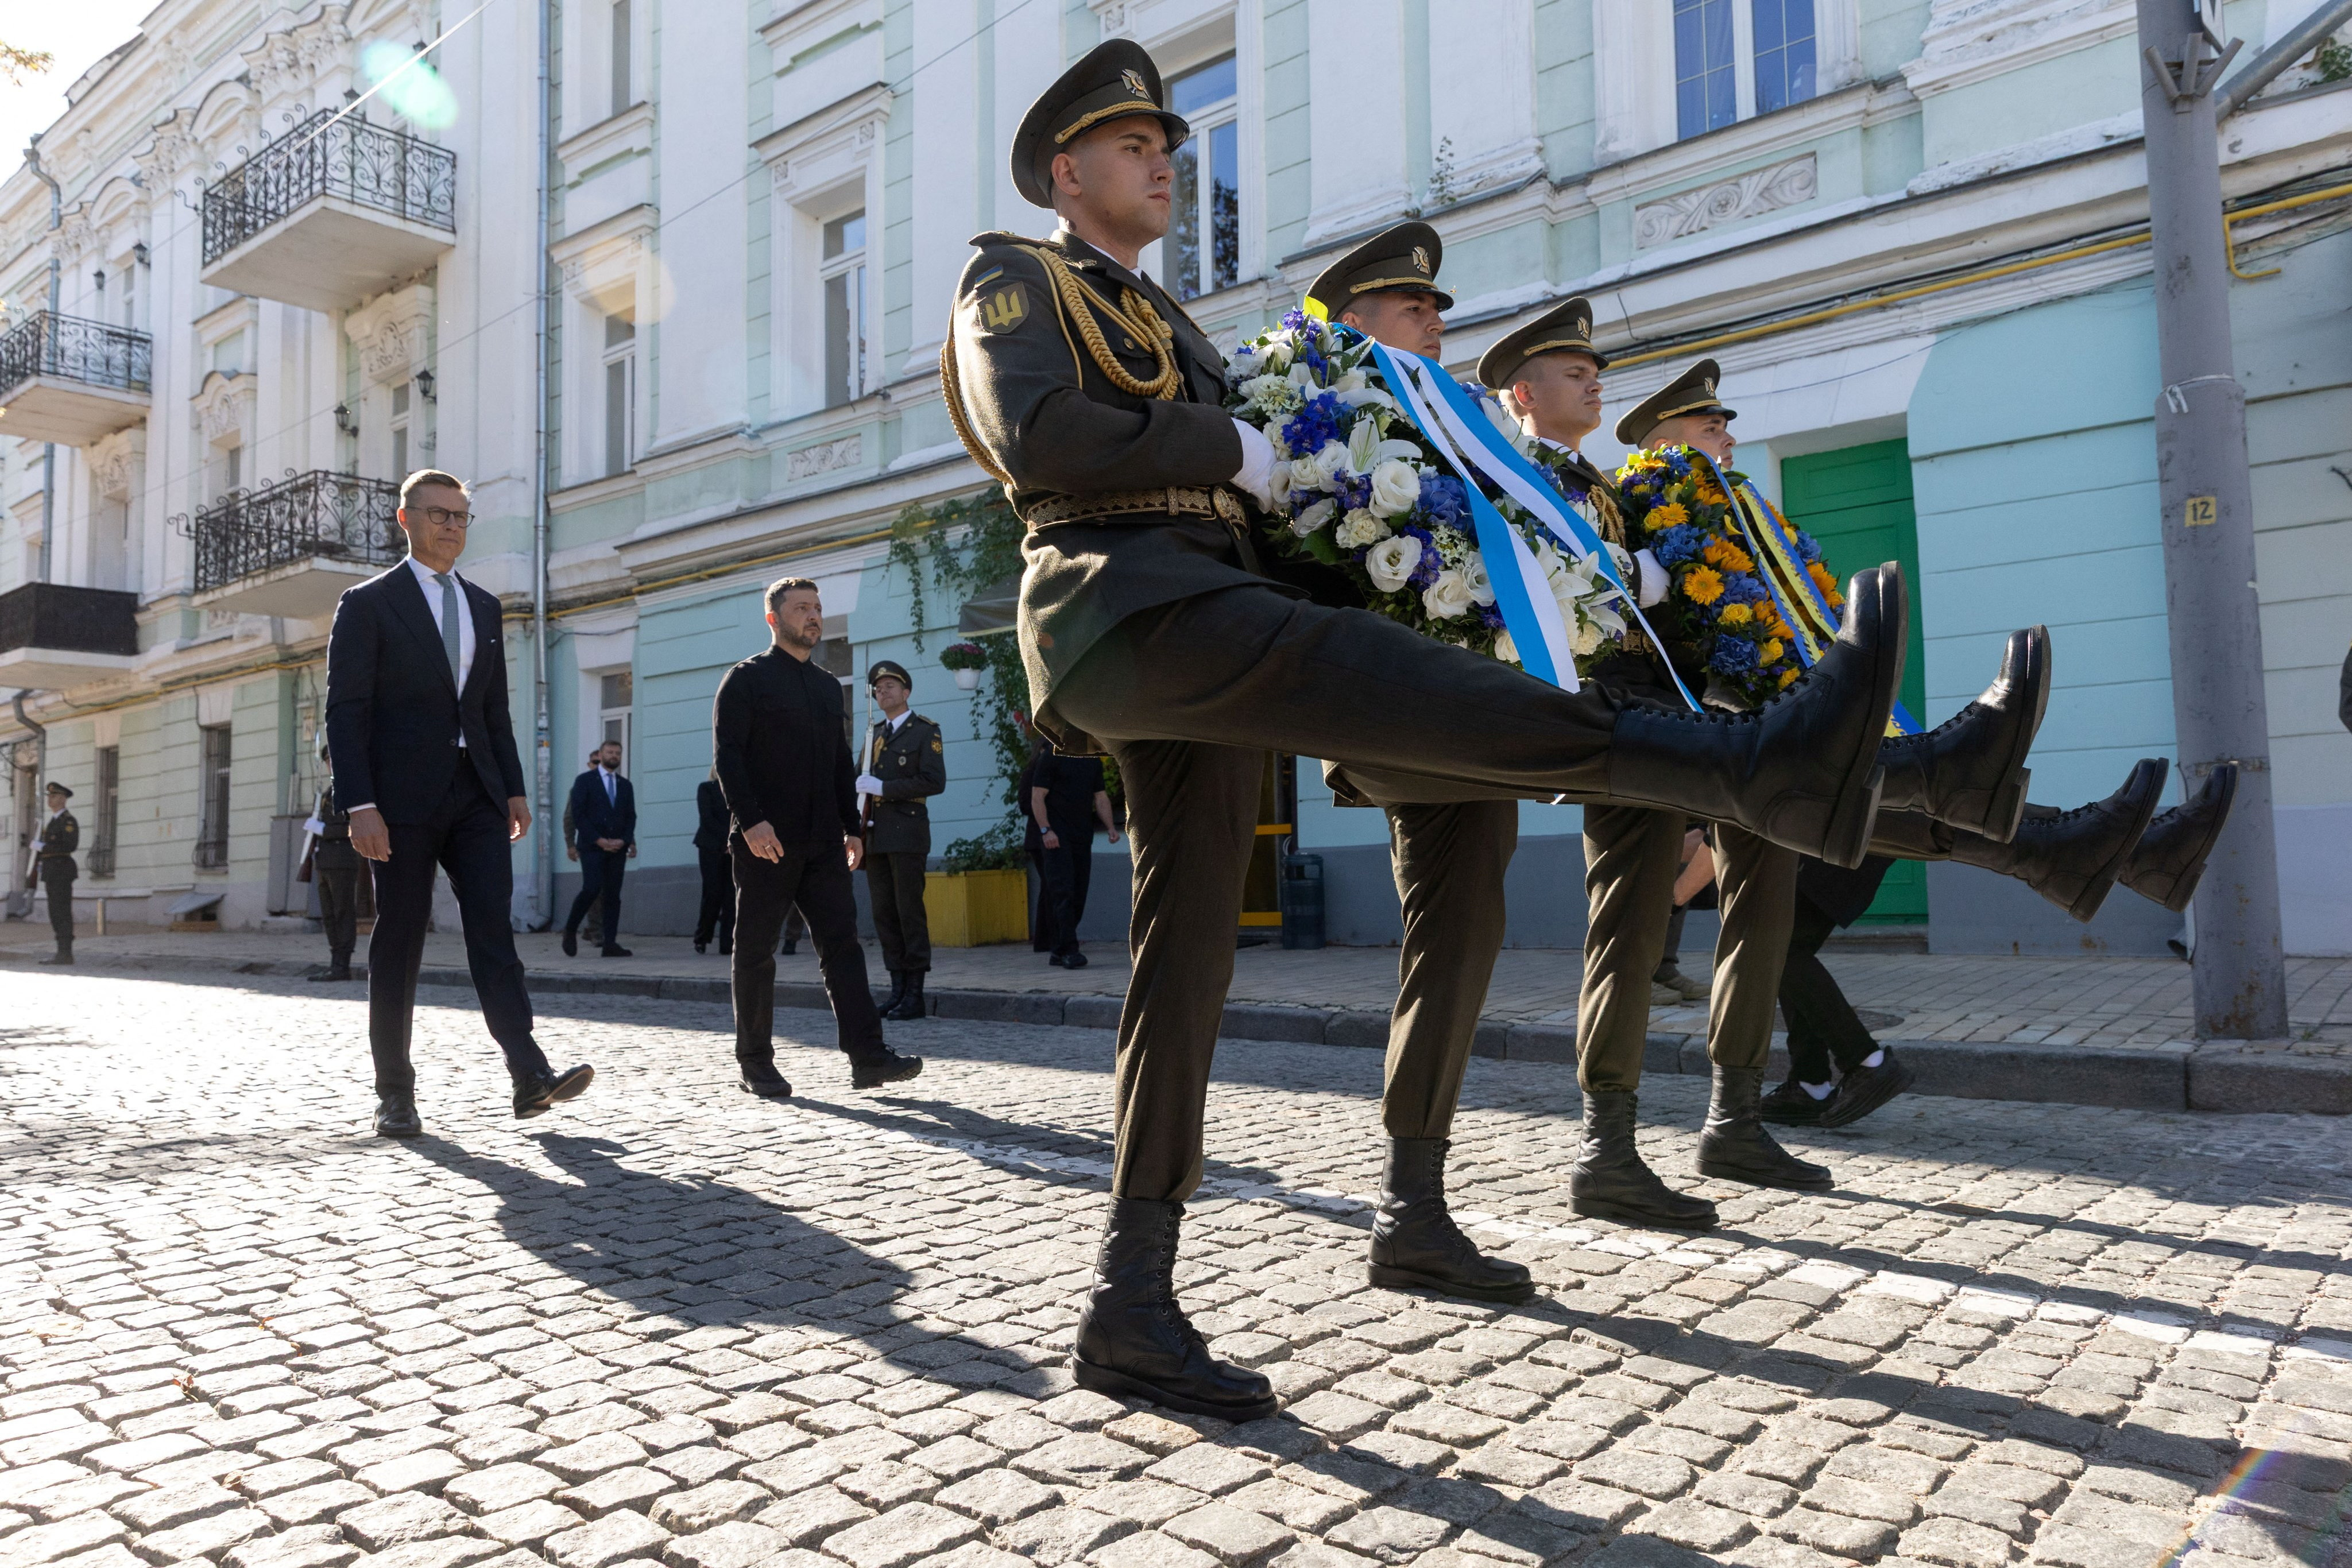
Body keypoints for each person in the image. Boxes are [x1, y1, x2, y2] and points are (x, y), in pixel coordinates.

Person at [946, 41, 1910, 1422]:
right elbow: (1041, 434)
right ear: (1064, 171)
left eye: (1169, 141)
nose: (1166, 158)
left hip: (1213, 612)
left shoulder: (1185, 324)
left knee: (1188, 956)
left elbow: (1283, 487)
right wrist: (1231, 454)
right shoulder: (1015, 280)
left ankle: (1132, 1300)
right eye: (1131, 144)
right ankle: (1751, 768)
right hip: (1125, 602)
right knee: (1365, 673)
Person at [1483, 327, 2048, 1228]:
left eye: (1597, 372)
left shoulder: (1616, 488)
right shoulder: (1521, 472)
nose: (1594, 385)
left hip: (1703, 711)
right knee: (1629, 930)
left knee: (1765, 907)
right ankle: (1608, 1150)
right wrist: (1656, 578)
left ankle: (1735, 1121)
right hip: (1615, 713)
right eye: (1575, 374)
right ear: (1523, 393)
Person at [325, 469, 593, 1137]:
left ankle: (529, 1073)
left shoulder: (482, 606)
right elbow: (346, 711)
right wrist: (359, 802)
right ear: (405, 518)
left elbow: (492, 709)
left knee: (492, 933)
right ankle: (395, 1092)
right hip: (399, 803)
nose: (451, 525)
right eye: (438, 513)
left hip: (475, 795)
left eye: (461, 516)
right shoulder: (367, 604)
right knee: (400, 941)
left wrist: (513, 788)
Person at [1764, 761, 2242, 1128]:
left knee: (1782, 942)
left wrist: (1683, 891)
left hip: (1826, 801)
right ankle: (2141, 849)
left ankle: (1856, 1065)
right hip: (1828, 799)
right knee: (1785, 943)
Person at [713, 576, 923, 1101]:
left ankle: (868, 1057)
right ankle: (755, 1062)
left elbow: (837, 765)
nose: (813, 615)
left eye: (817, 607)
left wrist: (852, 828)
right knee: (757, 951)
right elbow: (728, 759)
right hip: (766, 841)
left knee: (843, 948)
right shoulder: (745, 680)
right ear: (773, 619)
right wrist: (750, 821)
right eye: (801, 608)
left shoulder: (829, 687)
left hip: (824, 843)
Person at [859, 660, 947, 1020]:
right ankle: (897, 989)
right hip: (876, 836)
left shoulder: (925, 731)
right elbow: (857, 782)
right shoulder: (874, 734)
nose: (884, 692)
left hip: (907, 833)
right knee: (885, 914)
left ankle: (915, 994)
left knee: (909, 912)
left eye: (891, 687)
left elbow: (934, 781)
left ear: (906, 692)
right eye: (879, 689)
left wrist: (885, 788)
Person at [1028, 737, 1120, 966]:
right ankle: (1070, 949)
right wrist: (1046, 830)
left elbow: (1100, 797)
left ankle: (1059, 949)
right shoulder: (1051, 756)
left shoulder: (1091, 761)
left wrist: (1111, 827)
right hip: (1056, 838)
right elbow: (1037, 797)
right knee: (1063, 892)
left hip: (1082, 836)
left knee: (1079, 893)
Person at [562, 739, 636, 958]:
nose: (614, 756)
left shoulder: (625, 785)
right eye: (610, 752)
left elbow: (630, 816)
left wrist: (625, 840)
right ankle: (570, 929)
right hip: (593, 847)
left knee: (613, 895)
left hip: (617, 849)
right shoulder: (585, 782)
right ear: (601, 755)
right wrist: (598, 840)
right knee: (592, 889)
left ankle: (610, 943)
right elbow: (578, 815)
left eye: (618, 753)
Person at [309, 735, 362, 982]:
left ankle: (343, 964)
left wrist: (323, 830)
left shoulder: (352, 787)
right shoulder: (329, 791)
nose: (331, 764)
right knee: (329, 914)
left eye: (333, 759)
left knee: (343, 912)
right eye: (328, 760)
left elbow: (356, 825)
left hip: (343, 859)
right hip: (325, 861)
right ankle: (335, 962)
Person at [561, 750, 604, 947]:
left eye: (601, 762)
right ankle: (596, 931)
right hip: (589, 846)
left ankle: (595, 930)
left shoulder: (615, 786)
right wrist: (570, 844)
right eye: (595, 762)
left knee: (607, 890)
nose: (598, 765)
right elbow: (570, 817)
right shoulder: (581, 786)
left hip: (612, 848)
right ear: (589, 765)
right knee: (593, 889)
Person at [30, 782, 76, 965]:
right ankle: (62, 952)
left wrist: (43, 847)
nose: (50, 799)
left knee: (62, 912)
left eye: (54, 796)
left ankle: (65, 953)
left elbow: (69, 846)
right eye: (49, 796)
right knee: (55, 912)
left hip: (62, 871)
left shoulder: (68, 821)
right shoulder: (54, 821)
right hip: (52, 871)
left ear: (63, 799)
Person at [694, 767, 734, 956]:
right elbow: (707, 818)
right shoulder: (706, 788)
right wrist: (726, 840)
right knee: (712, 893)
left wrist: (733, 843)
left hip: (733, 849)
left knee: (731, 897)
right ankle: (702, 937)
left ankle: (727, 943)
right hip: (711, 848)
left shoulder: (737, 789)